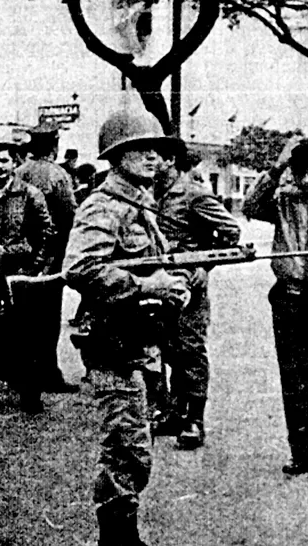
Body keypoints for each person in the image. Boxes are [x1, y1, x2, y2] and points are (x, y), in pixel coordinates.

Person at [64, 110, 191, 545]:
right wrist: (144, 284)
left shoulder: (140, 203)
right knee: (126, 447)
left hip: (137, 340)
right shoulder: (105, 205)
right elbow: (80, 268)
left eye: (157, 151)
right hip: (111, 341)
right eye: (141, 150)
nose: (154, 158)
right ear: (116, 157)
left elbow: (149, 264)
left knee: (135, 444)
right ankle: (117, 539)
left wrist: (172, 285)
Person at [153, 144, 241, 450]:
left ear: (171, 161)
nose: (152, 162)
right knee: (169, 347)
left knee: (190, 348)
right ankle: (175, 412)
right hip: (160, 281)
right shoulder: (150, 194)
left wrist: (204, 264)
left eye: (157, 157)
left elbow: (230, 231)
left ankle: (195, 420)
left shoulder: (194, 194)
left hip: (189, 283)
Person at [0, 141, 54, 413]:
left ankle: (30, 397)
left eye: (4, 161)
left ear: (14, 163)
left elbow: (47, 234)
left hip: (21, 277)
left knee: (26, 335)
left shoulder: (30, 195)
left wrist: (35, 268)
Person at [243, 136, 308, 475]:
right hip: (290, 295)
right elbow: (250, 206)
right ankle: (301, 448)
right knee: (294, 376)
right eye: (301, 169)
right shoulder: (283, 198)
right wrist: (276, 167)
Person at [15, 120, 80, 394]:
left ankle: (18, 372)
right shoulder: (58, 175)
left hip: (19, 254)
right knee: (48, 317)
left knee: (20, 316)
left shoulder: (18, 172)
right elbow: (69, 215)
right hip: (50, 257)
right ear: (55, 144)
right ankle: (47, 373)